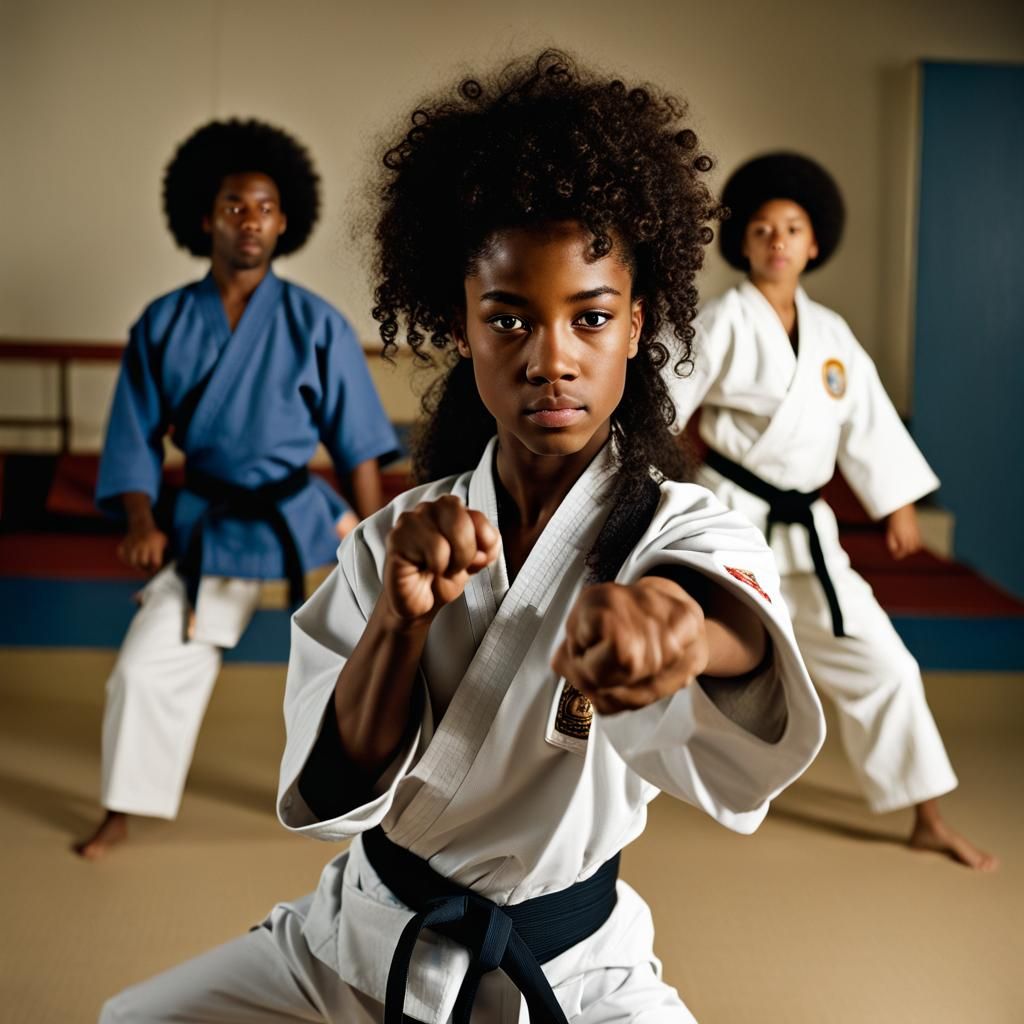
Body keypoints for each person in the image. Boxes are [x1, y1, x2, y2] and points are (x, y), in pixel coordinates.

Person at [99, 53, 825, 1022]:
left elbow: (715, 604)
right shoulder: (396, 538)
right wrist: (399, 624)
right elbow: (337, 782)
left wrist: (675, 633)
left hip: (573, 969)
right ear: (462, 326)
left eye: (591, 318)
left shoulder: (674, 524)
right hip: (358, 938)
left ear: (637, 325)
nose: (550, 358)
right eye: (508, 318)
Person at [75, 119, 400, 860]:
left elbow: (355, 440)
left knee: (377, 654)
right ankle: (123, 805)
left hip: (304, 517)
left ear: (286, 222)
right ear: (204, 217)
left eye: (263, 207)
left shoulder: (317, 322)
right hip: (210, 523)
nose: (248, 220)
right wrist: (139, 516)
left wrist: (377, 534)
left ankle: (364, 801)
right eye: (233, 205)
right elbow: (133, 435)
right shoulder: (162, 322)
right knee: (143, 668)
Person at [665, 151, 997, 871]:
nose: (777, 240)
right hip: (732, 518)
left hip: (807, 531)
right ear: (744, 245)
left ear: (813, 245)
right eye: (762, 229)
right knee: (685, 647)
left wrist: (898, 502)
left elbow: (867, 422)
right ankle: (621, 783)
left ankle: (926, 818)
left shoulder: (834, 339)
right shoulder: (722, 321)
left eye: (792, 228)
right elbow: (666, 406)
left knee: (887, 665)